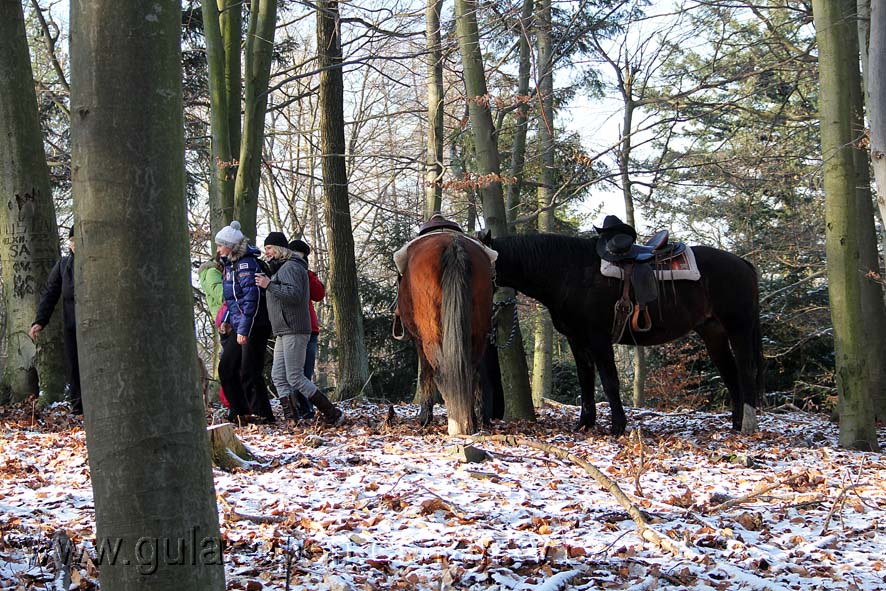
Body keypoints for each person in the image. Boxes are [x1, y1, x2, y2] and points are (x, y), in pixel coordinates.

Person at [256, 232, 343, 426]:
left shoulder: (291, 267)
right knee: (278, 376)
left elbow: (294, 295)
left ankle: (333, 413)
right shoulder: (280, 269)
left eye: (269, 248)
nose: (266, 252)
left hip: (295, 328)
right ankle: (292, 420)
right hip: (282, 330)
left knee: (295, 377)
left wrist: (269, 285)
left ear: (279, 248)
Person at [215, 221, 274, 425]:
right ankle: (240, 411)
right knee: (227, 367)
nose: (218, 249)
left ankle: (263, 414)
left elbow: (252, 299)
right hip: (241, 324)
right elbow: (234, 300)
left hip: (254, 325)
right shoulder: (230, 266)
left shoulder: (246, 264)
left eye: (220, 245)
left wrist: (244, 330)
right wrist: (226, 320)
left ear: (230, 246)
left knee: (250, 370)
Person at [30, 226, 81, 415]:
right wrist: (39, 321)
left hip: (98, 326)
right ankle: (78, 408)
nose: (75, 244)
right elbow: (50, 293)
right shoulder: (63, 265)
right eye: (72, 240)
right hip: (72, 326)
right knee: (74, 366)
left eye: (78, 239)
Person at [289, 238, 325, 385]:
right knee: (291, 373)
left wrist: (306, 273)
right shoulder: (283, 272)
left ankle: (306, 405)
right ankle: (294, 404)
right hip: (290, 328)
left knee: (305, 372)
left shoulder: (308, 275)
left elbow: (318, 294)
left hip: (309, 328)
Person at [198, 257, 232, 409]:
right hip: (226, 318)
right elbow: (222, 295)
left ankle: (227, 401)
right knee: (228, 361)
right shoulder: (212, 272)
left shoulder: (208, 273)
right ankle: (228, 401)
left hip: (221, 317)